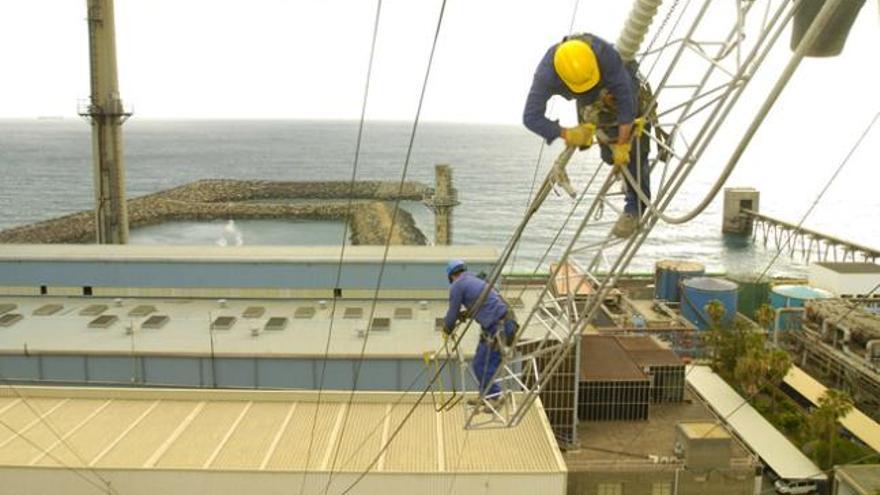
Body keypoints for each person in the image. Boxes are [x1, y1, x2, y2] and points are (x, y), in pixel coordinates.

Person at [523, 33, 651, 238]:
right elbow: (530, 117)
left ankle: (635, 208)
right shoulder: (546, 75)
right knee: (609, 156)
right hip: (586, 97)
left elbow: (627, 102)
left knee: (634, 150)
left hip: (617, 84)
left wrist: (624, 144)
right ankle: (619, 163)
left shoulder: (606, 55)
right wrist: (567, 133)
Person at [442, 259, 515, 407]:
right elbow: (484, 303)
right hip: (502, 323)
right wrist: (468, 313)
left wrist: (447, 328)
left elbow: (452, 312)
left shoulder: (457, 285)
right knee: (479, 364)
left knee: (483, 365)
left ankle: (494, 398)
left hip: (497, 327)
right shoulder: (475, 280)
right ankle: (485, 396)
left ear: (451, 276)